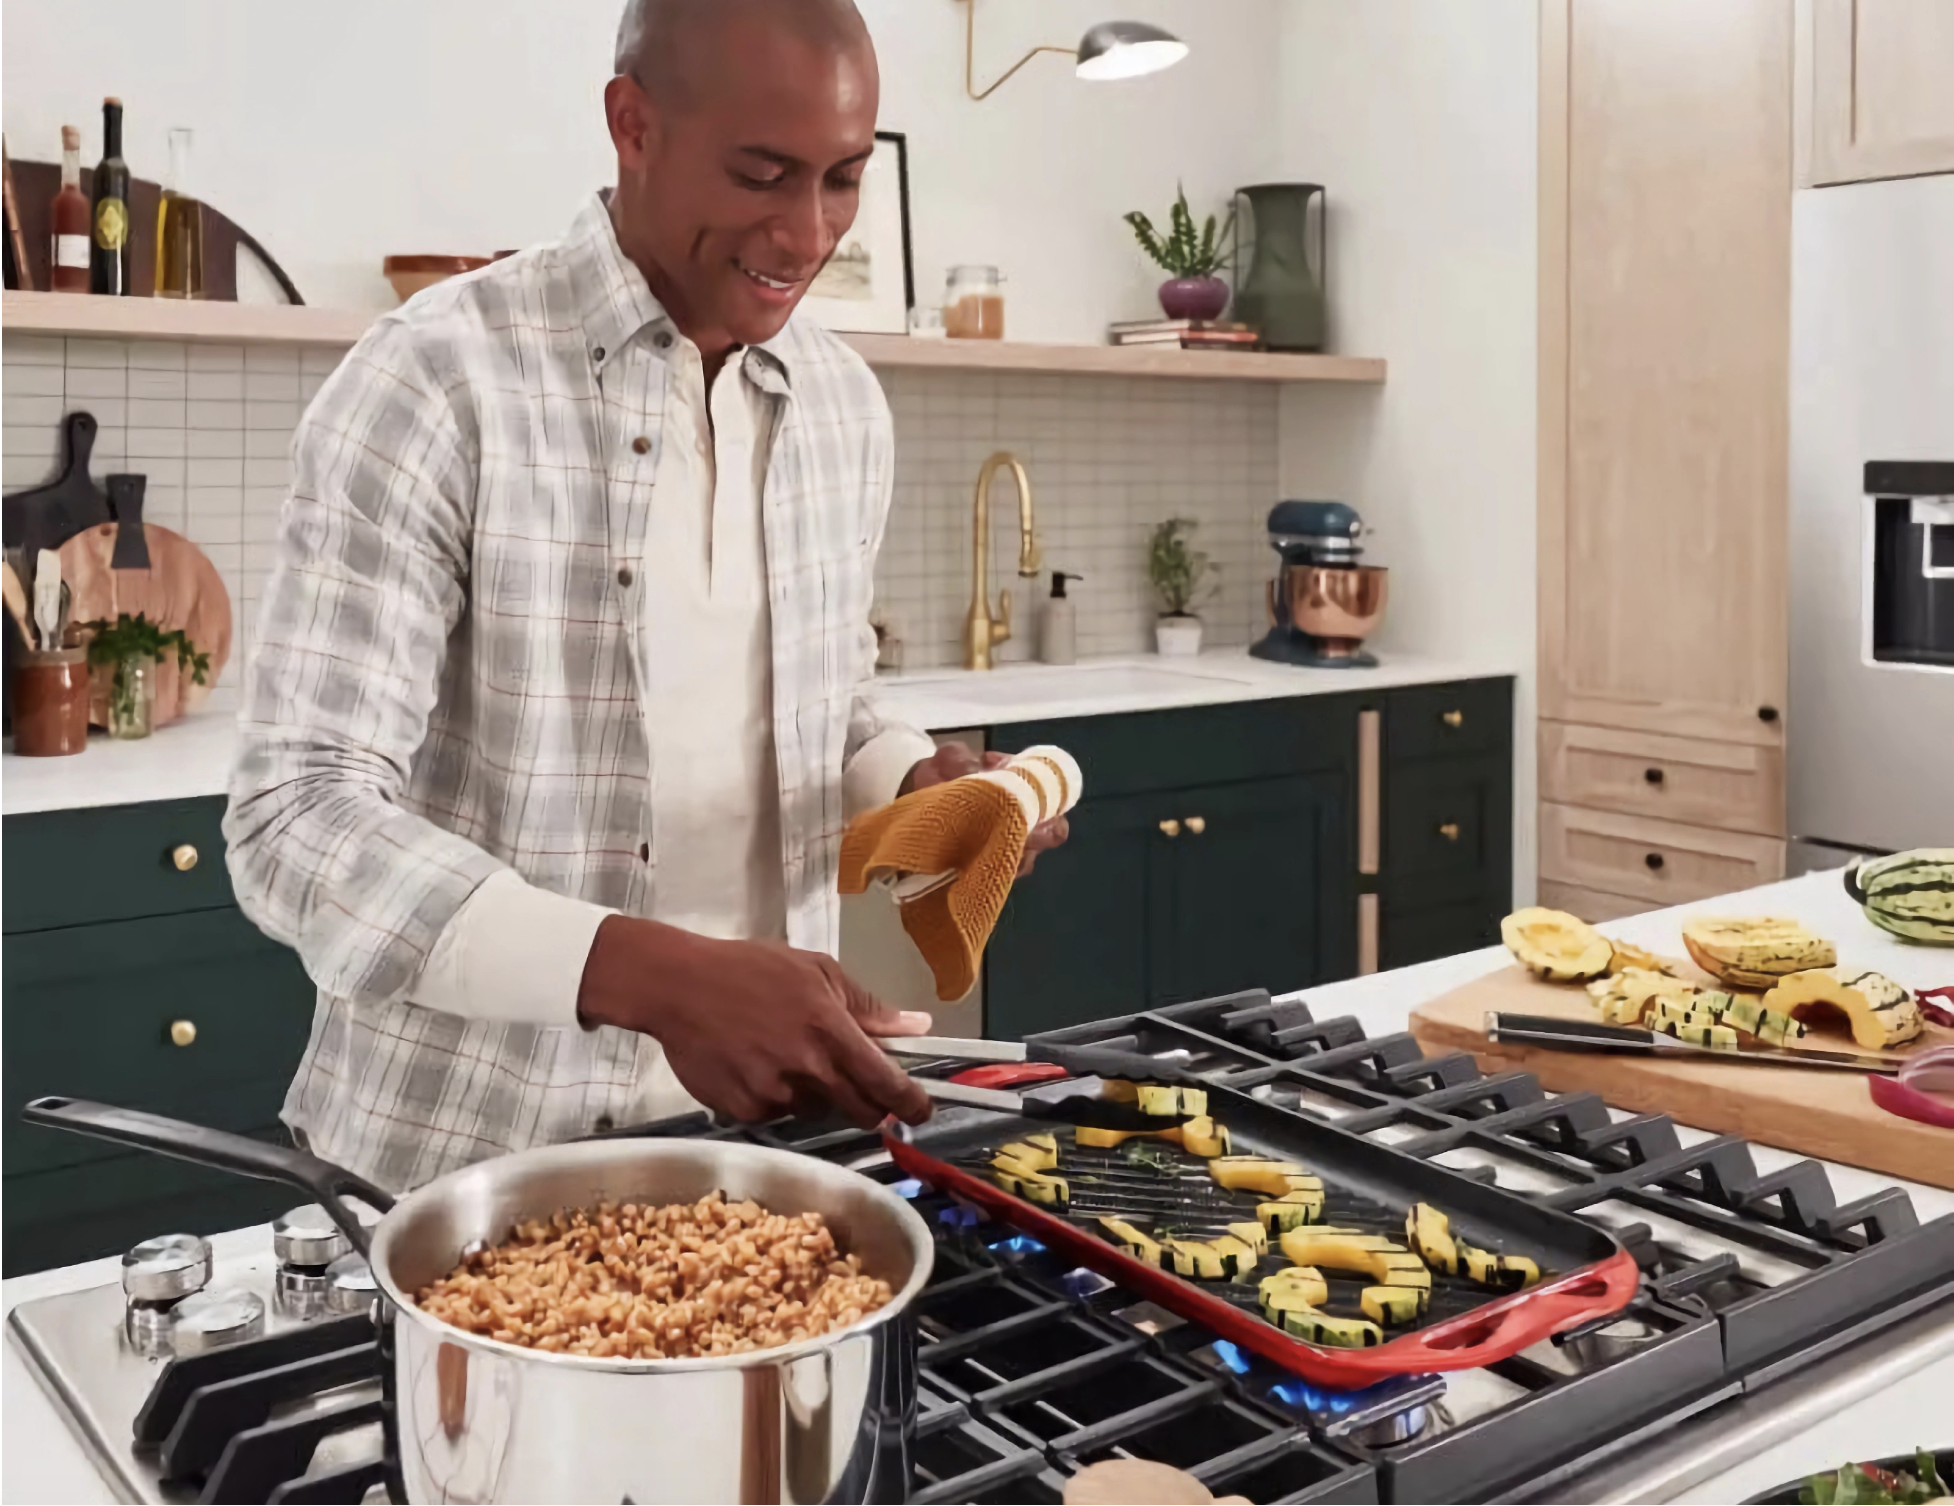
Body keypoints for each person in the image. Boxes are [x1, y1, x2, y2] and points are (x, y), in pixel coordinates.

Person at [225, 0, 1067, 1192]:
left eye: (841, 180)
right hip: (462, 1155)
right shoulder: (435, 380)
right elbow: (296, 821)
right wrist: (657, 975)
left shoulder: (842, 406)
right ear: (631, 123)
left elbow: (823, 701)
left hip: (769, 1140)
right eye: (762, 174)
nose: (806, 231)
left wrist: (915, 780)